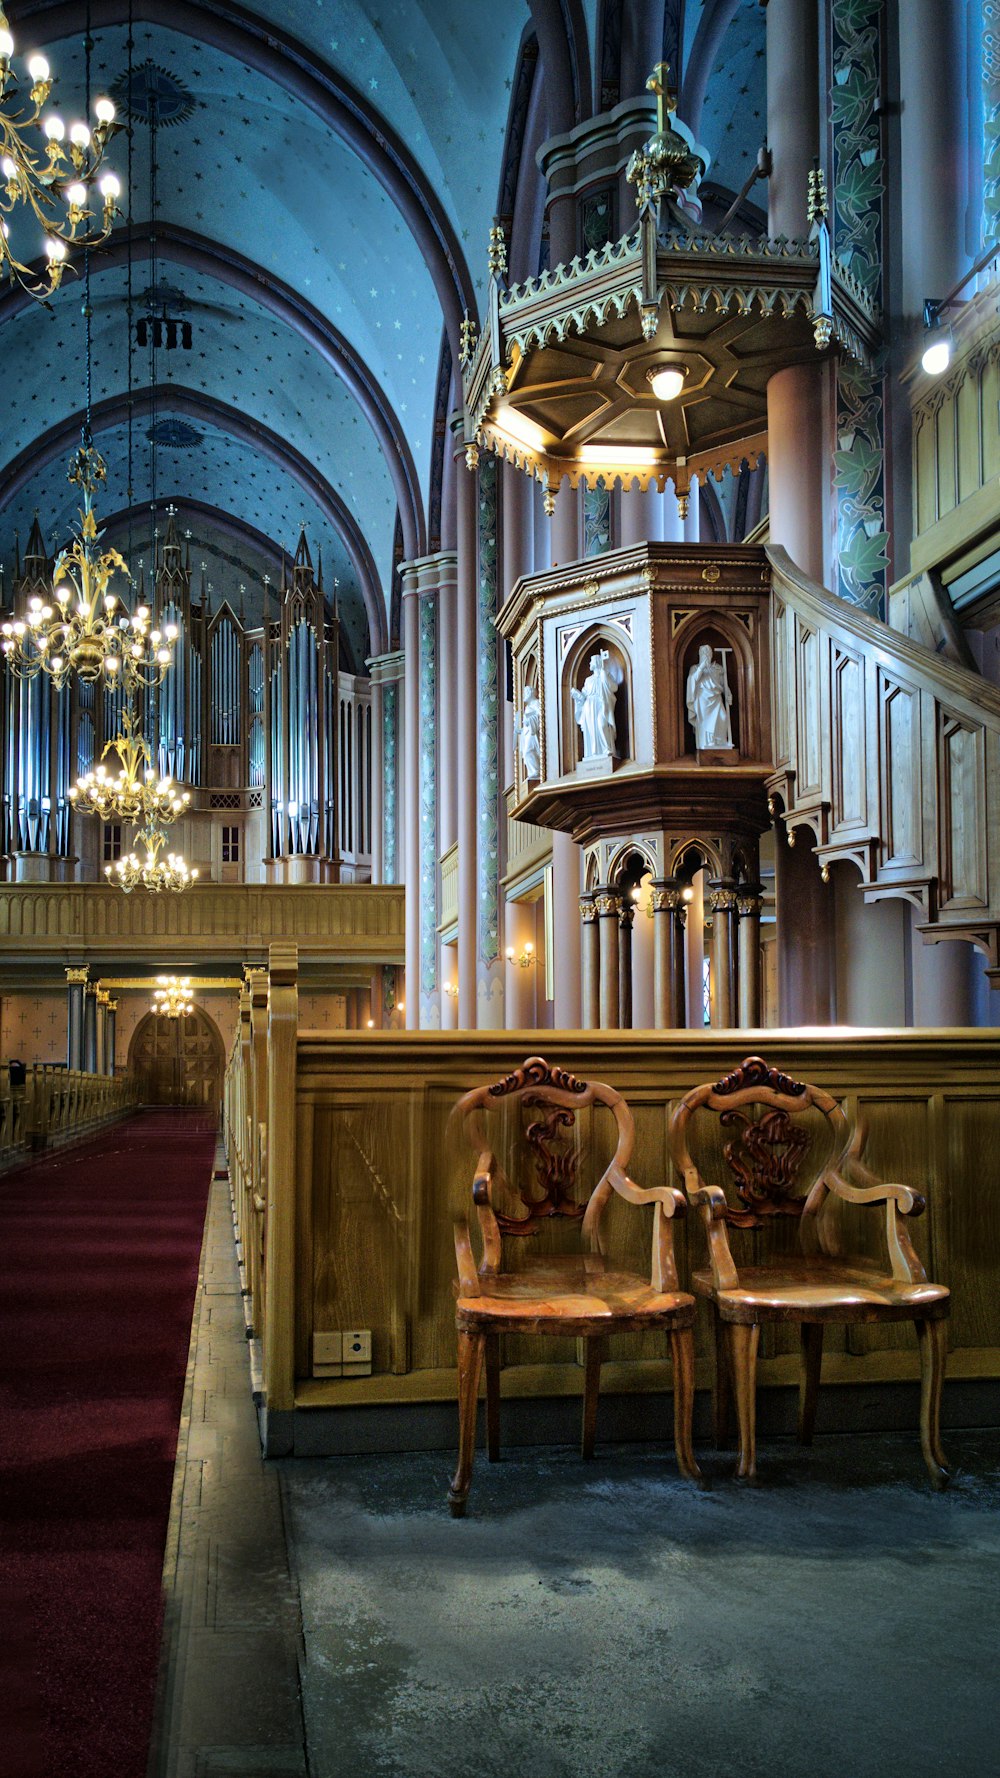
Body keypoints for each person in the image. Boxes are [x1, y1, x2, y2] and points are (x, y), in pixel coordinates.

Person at [572, 649, 622, 761]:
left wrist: (604, 674)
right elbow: (584, 695)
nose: (589, 664)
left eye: (591, 661)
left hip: (601, 705)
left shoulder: (605, 675)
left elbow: (614, 688)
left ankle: (607, 749)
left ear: (597, 662)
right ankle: (594, 753)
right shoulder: (588, 680)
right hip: (589, 706)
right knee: (592, 730)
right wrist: (577, 695)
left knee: (602, 725)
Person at [685, 643, 733, 750]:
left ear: (711, 655)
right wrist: (701, 668)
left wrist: (728, 694)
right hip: (703, 700)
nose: (707, 656)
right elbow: (692, 681)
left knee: (723, 717)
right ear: (700, 655)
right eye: (704, 653)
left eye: (708, 653)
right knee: (705, 722)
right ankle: (707, 743)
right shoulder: (695, 668)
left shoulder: (718, 668)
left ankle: (720, 742)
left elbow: (723, 684)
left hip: (716, 698)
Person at [515, 685, 541, 779]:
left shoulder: (536, 703)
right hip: (528, 732)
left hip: (533, 733)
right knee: (526, 752)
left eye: (526, 693)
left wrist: (529, 721)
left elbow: (541, 716)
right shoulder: (528, 707)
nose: (524, 695)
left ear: (530, 693)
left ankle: (536, 771)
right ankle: (533, 771)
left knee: (528, 751)